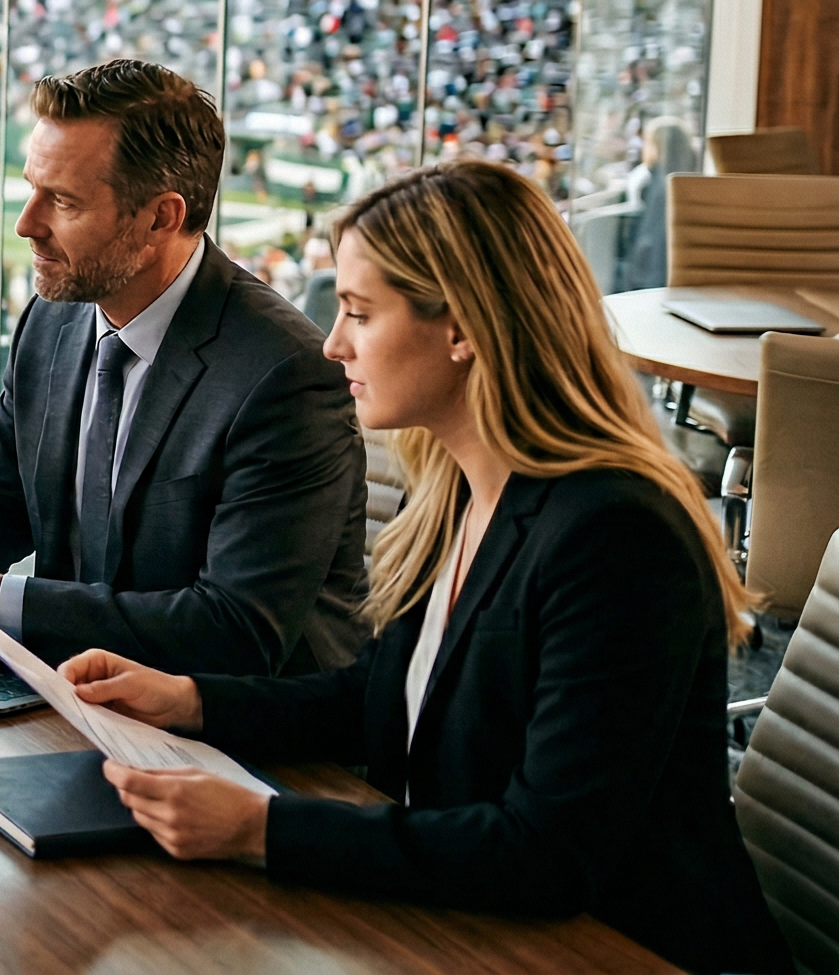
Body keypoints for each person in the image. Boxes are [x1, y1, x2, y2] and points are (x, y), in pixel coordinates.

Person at [59, 161, 787, 975]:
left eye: (360, 313)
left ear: (462, 329)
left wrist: (260, 828)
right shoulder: (457, 490)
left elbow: (545, 852)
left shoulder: (617, 536)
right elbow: (382, 696)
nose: (333, 343)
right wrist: (189, 701)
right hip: (472, 924)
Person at [0, 59, 366, 675]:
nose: (26, 225)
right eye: (32, 188)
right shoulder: (52, 317)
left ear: (160, 218)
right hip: (74, 690)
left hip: (227, 721)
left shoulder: (284, 376)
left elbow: (237, 629)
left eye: (63, 201)